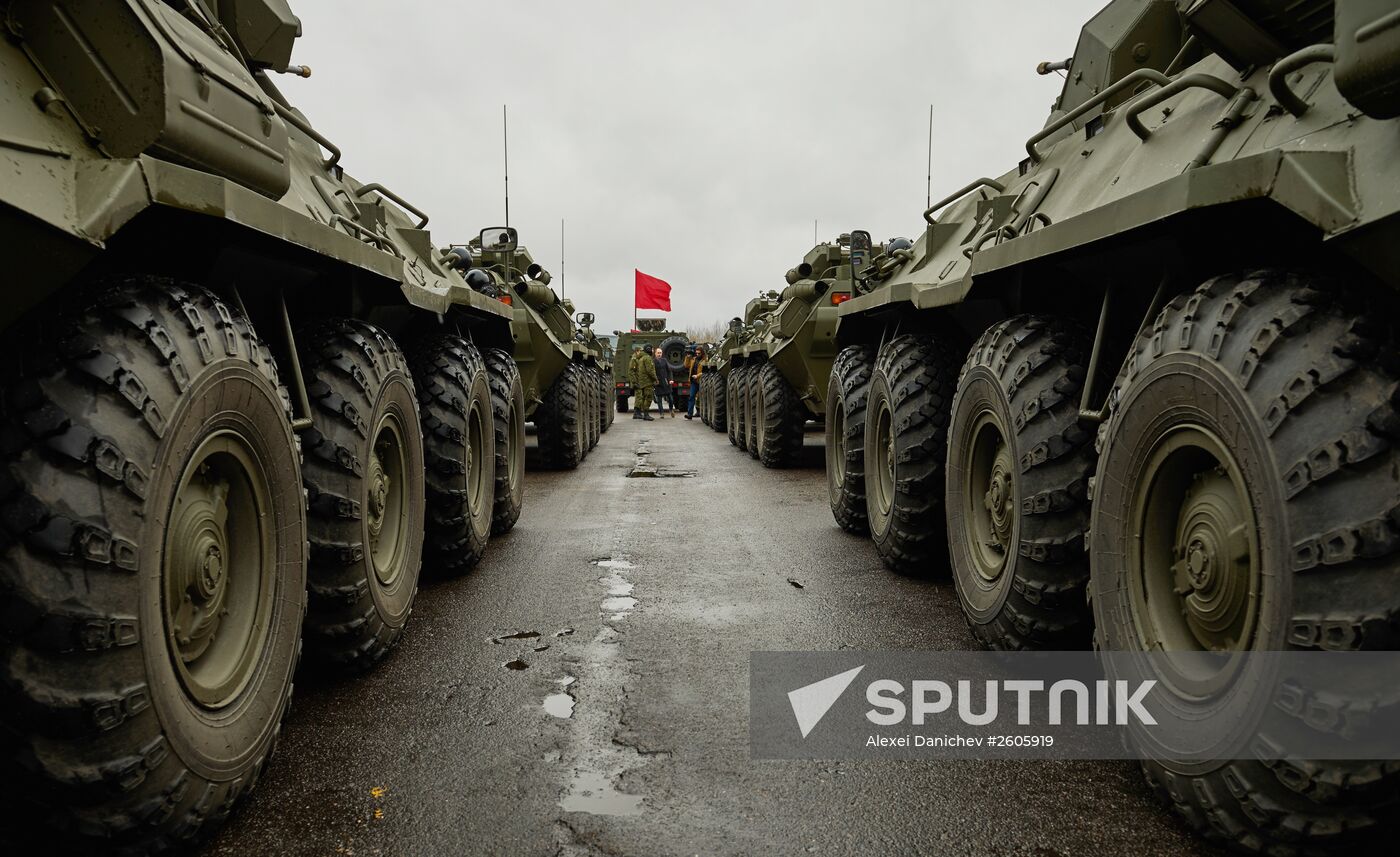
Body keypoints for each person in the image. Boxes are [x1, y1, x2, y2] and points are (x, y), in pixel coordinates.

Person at [635, 345, 658, 421]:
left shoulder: (641, 358)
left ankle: (645, 413)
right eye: (652, 349)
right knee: (648, 398)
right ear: (649, 350)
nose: (653, 351)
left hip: (642, 381)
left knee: (644, 397)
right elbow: (650, 370)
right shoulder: (647, 358)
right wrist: (655, 379)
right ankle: (646, 414)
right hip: (647, 382)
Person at [653, 347, 675, 418]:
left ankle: (671, 409)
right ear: (655, 353)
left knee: (671, 399)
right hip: (658, 383)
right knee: (659, 400)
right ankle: (661, 413)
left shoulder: (664, 361)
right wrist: (654, 381)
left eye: (660, 353)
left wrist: (670, 379)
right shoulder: (653, 362)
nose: (659, 354)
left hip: (666, 382)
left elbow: (669, 371)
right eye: (658, 353)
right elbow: (652, 372)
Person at [685, 348, 704, 419]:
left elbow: (706, 371)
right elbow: (686, 365)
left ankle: (699, 412)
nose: (697, 355)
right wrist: (688, 357)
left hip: (701, 381)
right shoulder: (693, 360)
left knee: (700, 397)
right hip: (693, 382)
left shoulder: (705, 360)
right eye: (696, 353)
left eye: (699, 353)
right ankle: (689, 414)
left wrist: (697, 375)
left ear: (702, 353)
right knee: (691, 396)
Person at [628, 344, 646, 418]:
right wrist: (634, 382)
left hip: (640, 381)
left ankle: (638, 412)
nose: (641, 352)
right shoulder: (634, 359)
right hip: (637, 381)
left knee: (640, 396)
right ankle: (636, 412)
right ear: (637, 351)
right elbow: (631, 371)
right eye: (640, 351)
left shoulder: (638, 358)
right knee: (639, 396)